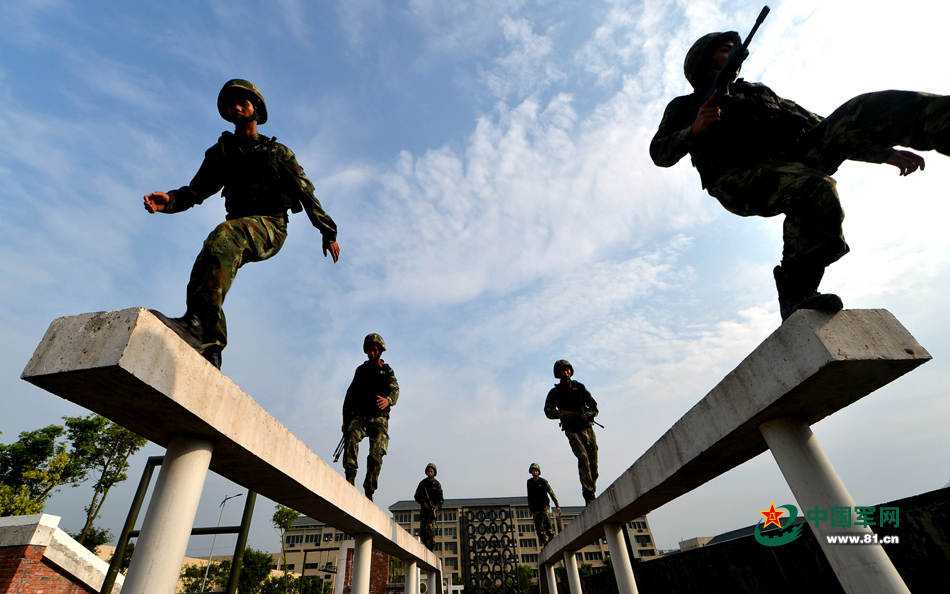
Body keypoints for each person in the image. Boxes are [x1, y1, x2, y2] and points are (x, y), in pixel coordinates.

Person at [650, 31, 950, 321]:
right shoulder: (684, 106)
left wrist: (881, 152)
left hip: (791, 157)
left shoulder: (759, 93)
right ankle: (796, 293)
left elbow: (818, 124)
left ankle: (942, 120)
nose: (734, 54)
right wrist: (694, 129)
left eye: (733, 49)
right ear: (704, 58)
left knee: (860, 109)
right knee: (815, 188)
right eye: (725, 49)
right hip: (737, 177)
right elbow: (659, 152)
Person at [144, 79, 340, 368]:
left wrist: (327, 231)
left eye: (243, 103)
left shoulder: (278, 154)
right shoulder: (221, 153)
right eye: (230, 104)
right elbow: (195, 191)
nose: (235, 107)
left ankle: (195, 326)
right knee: (209, 266)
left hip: (271, 226)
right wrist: (169, 201)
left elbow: (305, 193)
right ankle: (211, 348)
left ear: (256, 111)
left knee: (224, 236)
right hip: (239, 227)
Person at [341, 333, 399, 501]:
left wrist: (388, 401)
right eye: (369, 350)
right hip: (362, 416)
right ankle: (350, 476)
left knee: (376, 454)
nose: (372, 352)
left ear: (380, 351)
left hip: (379, 419)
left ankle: (369, 490)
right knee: (351, 433)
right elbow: (350, 396)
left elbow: (395, 390)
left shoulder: (387, 371)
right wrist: (346, 419)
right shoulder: (361, 371)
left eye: (375, 349)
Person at [544, 360, 599, 505]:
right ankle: (588, 494)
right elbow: (548, 411)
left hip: (586, 427)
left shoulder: (579, 387)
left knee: (593, 464)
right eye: (563, 370)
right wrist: (563, 413)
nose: (566, 371)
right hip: (571, 429)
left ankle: (592, 488)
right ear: (558, 373)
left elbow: (594, 407)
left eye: (568, 369)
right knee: (582, 456)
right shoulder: (555, 393)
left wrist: (587, 415)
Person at [526, 463, 560, 547]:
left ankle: (551, 537)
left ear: (538, 472)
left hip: (544, 505)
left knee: (546, 521)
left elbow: (551, 493)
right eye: (533, 470)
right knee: (538, 528)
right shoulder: (529, 483)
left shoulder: (543, 482)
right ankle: (545, 542)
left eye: (536, 470)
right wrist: (530, 509)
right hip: (535, 507)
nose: (534, 472)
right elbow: (529, 496)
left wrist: (557, 505)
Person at [414, 463, 444, 551]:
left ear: (434, 473)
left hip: (432, 511)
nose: (430, 473)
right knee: (423, 532)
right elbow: (416, 496)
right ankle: (427, 545)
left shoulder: (437, 485)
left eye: (431, 471)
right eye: (428, 471)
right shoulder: (422, 484)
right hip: (424, 511)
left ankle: (430, 547)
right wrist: (423, 503)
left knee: (430, 529)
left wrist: (435, 508)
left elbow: (441, 500)